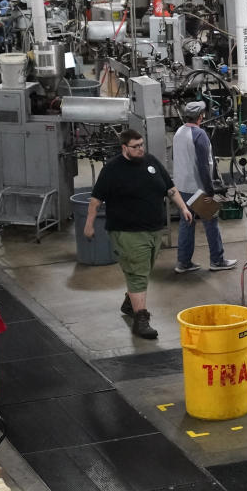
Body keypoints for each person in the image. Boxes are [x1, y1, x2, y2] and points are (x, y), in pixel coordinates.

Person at [84, 129, 193, 339]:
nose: (141, 149)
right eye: (136, 146)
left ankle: (130, 301)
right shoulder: (112, 170)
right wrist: (89, 225)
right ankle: (141, 319)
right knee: (138, 273)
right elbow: (96, 200)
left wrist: (183, 207)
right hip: (127, 231)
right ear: (124, 148)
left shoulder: (150, 162)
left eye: (142, 144)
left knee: (143, 270)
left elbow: (169, 188)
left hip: (153, 229)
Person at [172, 101, 236, 273]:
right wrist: (210, 189)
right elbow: (203, 166)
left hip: (181, 187)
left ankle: (183, 263)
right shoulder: (199, 134)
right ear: (201, 116)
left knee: (187, 223)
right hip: (197, 188)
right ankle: (217, 260)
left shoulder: (179, 132)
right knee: (211, 222)